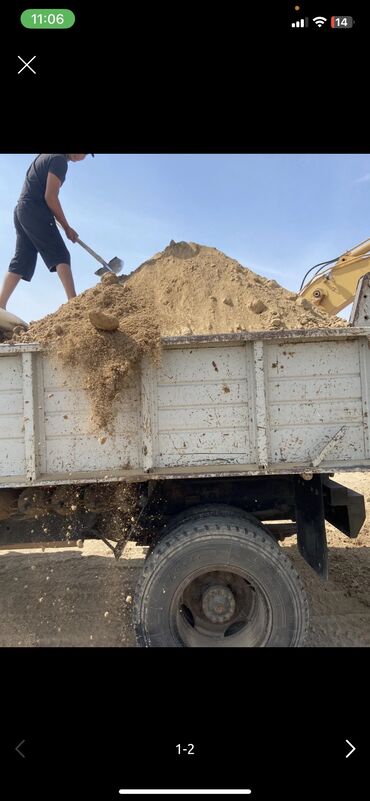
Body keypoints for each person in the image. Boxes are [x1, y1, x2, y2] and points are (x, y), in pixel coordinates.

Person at [0, 153, 94, 309]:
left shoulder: (46, 155)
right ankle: (74, 304)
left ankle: (0, 305)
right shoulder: (59, 160)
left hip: (22, 210)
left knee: (22, 260)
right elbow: (50, 196)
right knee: (61, 254)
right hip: (35, 210)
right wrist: (67, 227)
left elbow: (39, 191)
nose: (83, 156)